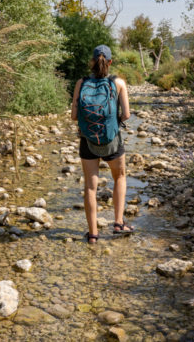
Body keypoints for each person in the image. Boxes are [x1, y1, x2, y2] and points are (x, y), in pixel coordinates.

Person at [71, 44, 134, 244]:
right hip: (112, 140)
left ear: (92, 61)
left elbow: (74, 116)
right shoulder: (119, 83)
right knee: (120, 177)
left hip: (88, 140)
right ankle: (118, 223)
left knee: (90, 187)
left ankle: (93, 234)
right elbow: (126, 114)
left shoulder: (81, 83)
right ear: (110, 62)